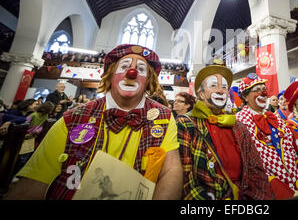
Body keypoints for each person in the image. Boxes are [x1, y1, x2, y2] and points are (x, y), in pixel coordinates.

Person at [7, 44, 183, 200]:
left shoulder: (164, 117)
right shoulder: (72, 118)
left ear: (148, 80)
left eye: (141, 70)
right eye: (124, 67)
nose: (132, 72)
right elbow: (33, 185)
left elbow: (171, 172)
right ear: (111, 74)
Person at [176, 66, 273, 200]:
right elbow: (185, 180)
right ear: (201, 93)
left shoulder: (238, 126)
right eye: (213, 85)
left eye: (224, 87)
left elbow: (256, 171)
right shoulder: (185, 124)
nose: (220, 91)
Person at [236, 74, 298, 199]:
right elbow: (251, 168)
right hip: (270, 192)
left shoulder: (274, 118)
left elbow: (291, 155)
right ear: (245, 96)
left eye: (264, 88)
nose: (264, 92)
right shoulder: (239, 123)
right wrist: (285, 192)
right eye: (257, 89)